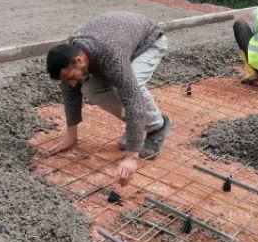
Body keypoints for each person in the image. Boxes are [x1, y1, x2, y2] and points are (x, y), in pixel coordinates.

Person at [45, 11, 172, 187]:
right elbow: (70, 91)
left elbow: (133, 99)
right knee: (90, 88)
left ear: (80, 60)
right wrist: (71, 135)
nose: (71, 84)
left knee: (133, 85)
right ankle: (135, 127)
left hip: (148, 43)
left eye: (71, 77)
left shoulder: (111, 55)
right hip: (119, 43)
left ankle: (157, 126)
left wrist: (131, 157)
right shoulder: (71, 53)